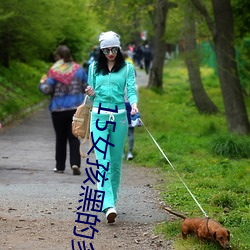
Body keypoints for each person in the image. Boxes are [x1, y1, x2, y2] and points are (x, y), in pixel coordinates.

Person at [85, 31, 138, 223]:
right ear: (101, 50)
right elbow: (91, 96)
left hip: (120, 118)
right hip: (98, 116)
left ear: (119, 48)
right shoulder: (93, 68)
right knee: (103, 162)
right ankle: (108, 204)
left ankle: (112, 201)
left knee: (115, 163)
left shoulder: (127, 68)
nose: (110, 53)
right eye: (106, 50)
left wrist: (133, 104)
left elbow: (131, 90)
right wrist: (90, 92)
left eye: (114, 49)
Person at [39, 45, 88, 175]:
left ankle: (60, 166)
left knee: (60, 138)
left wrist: (42, 83)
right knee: (73, 137)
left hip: (58, 109)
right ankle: (75, 163)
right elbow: (86, 87)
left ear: (58, 57)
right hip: (75, 109)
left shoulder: (54, 71)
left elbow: (47, 90)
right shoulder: (79, 70)